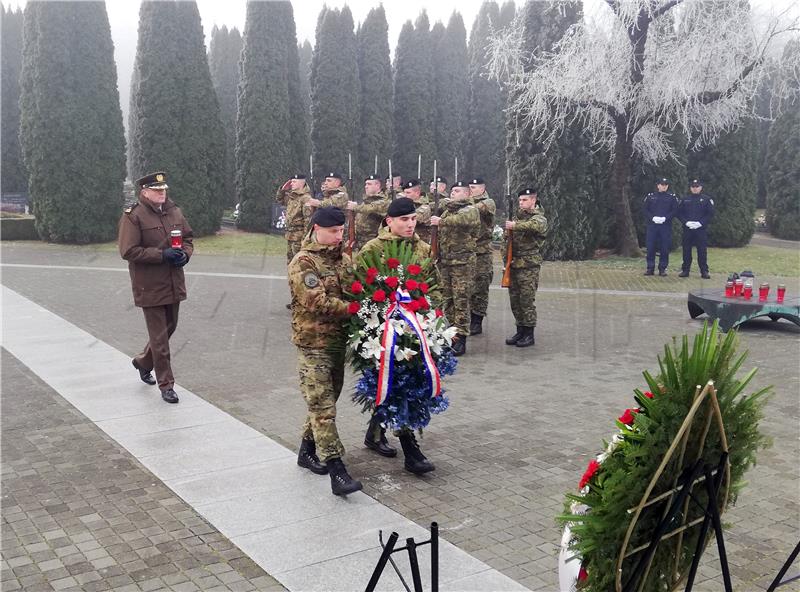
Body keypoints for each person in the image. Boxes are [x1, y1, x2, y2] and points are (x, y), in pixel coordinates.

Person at [358, 198, 437, 473]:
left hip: (416, 329)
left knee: (400, 383)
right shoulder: (373, 249)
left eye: (413, 219)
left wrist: (434, 320)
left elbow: (433, 286)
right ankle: (411, 450)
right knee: (394, 384)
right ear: (389, 221)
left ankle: (374, 434)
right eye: (404, 220)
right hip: (383, 331)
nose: (410, 224)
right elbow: (360, 287)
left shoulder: (423, 249)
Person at [288, 206, 362, 496]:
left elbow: (356, 288)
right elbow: (316, 301)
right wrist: (354, 309)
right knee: (323, 408)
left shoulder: (343, 259)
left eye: (341, 231)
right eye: (333, 231)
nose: (338, 236)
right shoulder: (303, 262)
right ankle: (337, 470)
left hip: (336, 343)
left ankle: (306, 451)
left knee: (325, 402)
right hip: (313, 344)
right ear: (316, 228)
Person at [118, 172, 193, 404]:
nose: (162, 193)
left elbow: (188, 238)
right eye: (156, 190)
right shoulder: (134, 216)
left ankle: (142, 362)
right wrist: (162, 255)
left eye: (164, 189)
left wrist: (185, 255)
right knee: (160, 339)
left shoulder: (175, 211)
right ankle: (166, 385)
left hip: (173, 283)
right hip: (149, 285)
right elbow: (128, 251)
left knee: (170, 328)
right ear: (145, 192)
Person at [430, 181, 480, 356]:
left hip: (463, 263)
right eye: (451, 191)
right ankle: (450, 336)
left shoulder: (470, 210)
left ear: (466, 194)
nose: (453, 193)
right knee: (448, 300)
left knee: (461, 301)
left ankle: (461, 339)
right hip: (446, 262)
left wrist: (441, 221)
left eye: (457, 191)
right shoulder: (446, 210)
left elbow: (462, 221)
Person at [504, 188, 548, 348]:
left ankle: (529, 333)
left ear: (533, 200)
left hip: (529, 266)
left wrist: (515, 225)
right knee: (515, 300)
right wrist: (506, 264)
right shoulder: (516, 218)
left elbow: (535, 226)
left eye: (524, 200)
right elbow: (507, 243)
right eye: (520, 200)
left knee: (526, 300)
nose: (521, 203)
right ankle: (520, 330)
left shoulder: (539, 218)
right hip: (514, 264)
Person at [467, 177, 496, 336]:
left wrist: (461, 204)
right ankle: (467, 318)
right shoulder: (466, 202)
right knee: (467, 286)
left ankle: (477, 321)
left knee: (481, 286)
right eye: (470, 187)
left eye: (474, 187)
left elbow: (476, 209)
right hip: (468, 250)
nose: (472, 190)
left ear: (483, 188)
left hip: (482, 252)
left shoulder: (488, 202)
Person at [677, 179, 714, 279]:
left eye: (697, 186)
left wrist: (700, 223)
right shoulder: (685, 199)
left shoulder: (706, 199)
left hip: (700, 229)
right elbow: (679, 213)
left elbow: (710, 214)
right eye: (693, 186)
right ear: (690, 188)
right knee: (686, 250)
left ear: (701, 188)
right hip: (687, 229)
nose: (695, 188)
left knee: (702, 251)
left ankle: (704, 271)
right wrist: (686, 222)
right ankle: (685, 270)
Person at [643, 178, 678, 276]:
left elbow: (675, 210)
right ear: (658, 185)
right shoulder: (651, 196)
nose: (664, 186)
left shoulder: (672, 197)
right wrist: (652, 217)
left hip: (665, 226)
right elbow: (645, 209)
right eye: (662, 184)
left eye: (666, 185)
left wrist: (665, 218)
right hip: (652, 225)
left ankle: (662, 268)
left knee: (664, 248)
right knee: (650, 247)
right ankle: (650, 268)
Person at [275, 173, 312, 264]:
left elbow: (308, 221)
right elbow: (279, 200)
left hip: (299, 238)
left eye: (294, 182)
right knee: (290, 263)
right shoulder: (292, 197)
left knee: (299, 263)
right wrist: (283, 189)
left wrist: (305, 239)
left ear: (301, 183)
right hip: (290, 236)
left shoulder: (305, 198)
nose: (291, 184)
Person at [353, 174, 390, 251]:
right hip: (359, 242)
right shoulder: (365, 202)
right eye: (365, 184)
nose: (366, 186)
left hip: (374, 242)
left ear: (377, 185)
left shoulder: (384, 201)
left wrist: (355, 207)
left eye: (369, 184)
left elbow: (371, 208)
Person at [400, 179, 432, 243]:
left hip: (419, 244)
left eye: (408, 193)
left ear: (417, 193)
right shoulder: (405, 204)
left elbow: (413, 219)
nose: (405, 195)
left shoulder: (425, 207)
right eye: (404, 193)